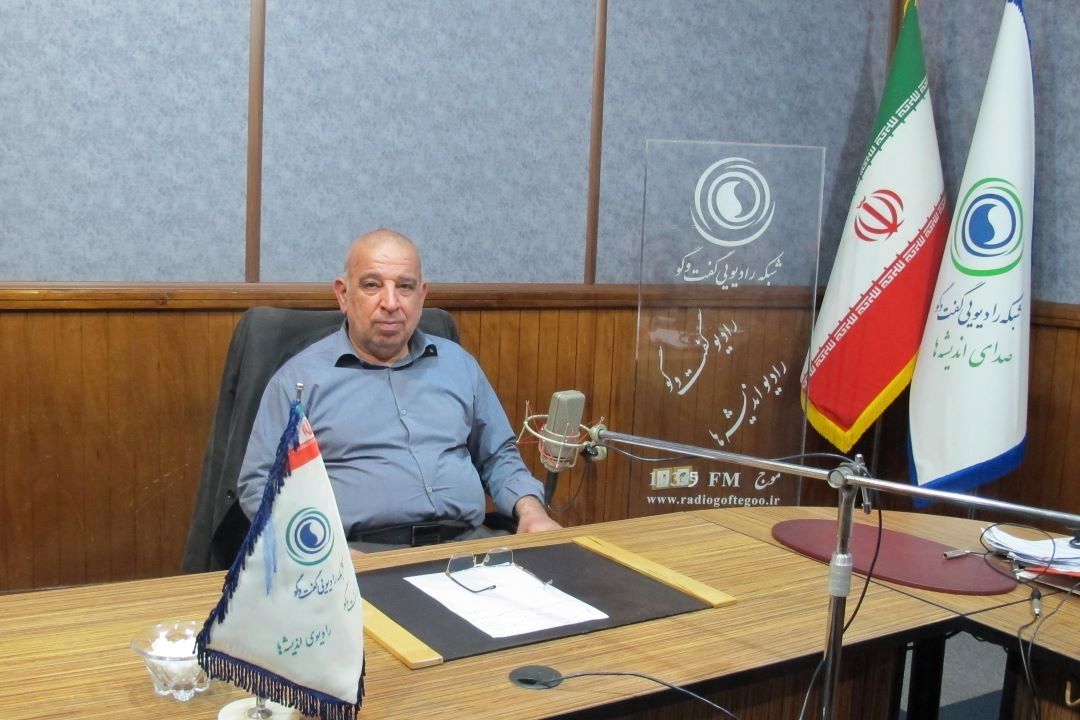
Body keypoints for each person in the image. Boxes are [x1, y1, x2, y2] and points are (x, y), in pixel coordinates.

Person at [238, 229, 560, 548]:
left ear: (421, 296)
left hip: (466, 546)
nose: (391, 303)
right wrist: (323, 553)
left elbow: (499, 456)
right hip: (357, 554)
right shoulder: (299, 381)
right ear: (343, 294)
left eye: (405, 287)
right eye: (372, 285)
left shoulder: (458, 365)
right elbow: (259, 486)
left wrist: (531, 512)